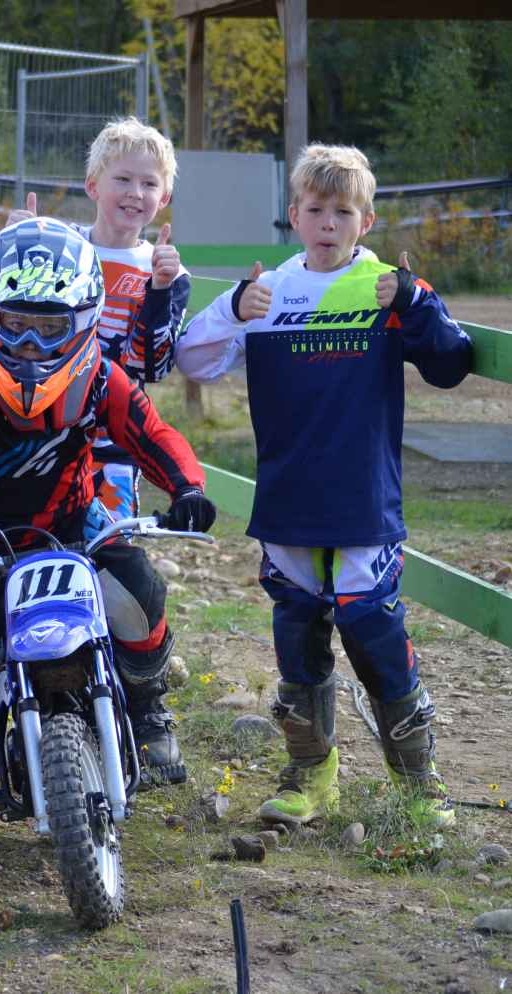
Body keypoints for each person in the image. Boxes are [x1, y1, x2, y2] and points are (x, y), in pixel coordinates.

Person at [0, 218, 215, 862]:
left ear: (85, 317)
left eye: (49, 327)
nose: (32, 344)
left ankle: (149, 712)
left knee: (143, 594)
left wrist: (187, 488)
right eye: (15, 324)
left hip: (77, 524)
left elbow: (150, 433)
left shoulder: (99, 376)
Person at [176, 143, 471, 829]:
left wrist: (419, 303)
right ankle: (312, 777)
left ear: (365, 221)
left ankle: (419, 783)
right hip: (289, 498)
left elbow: (452, 364)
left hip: (364, 495)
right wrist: (234, 309)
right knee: (297, 631)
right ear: (295, 216)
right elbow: (193, 357)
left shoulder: (388, 288)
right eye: (316, 210)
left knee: (371, 622)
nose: (329, 223)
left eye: (344, 211)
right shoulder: (271, 291)